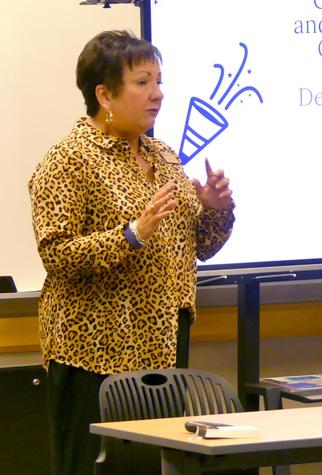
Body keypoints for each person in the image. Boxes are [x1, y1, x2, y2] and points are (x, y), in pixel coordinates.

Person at [28, 30, 235, 475]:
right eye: (143, 82)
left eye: (159, 81)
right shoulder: (68, 159)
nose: (158, 94)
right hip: (94, 353)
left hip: (163, 349)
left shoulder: (163, 156)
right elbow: (57, 253)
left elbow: (197, 247)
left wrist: (216, 211)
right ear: (104, 93)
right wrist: (131, 234)